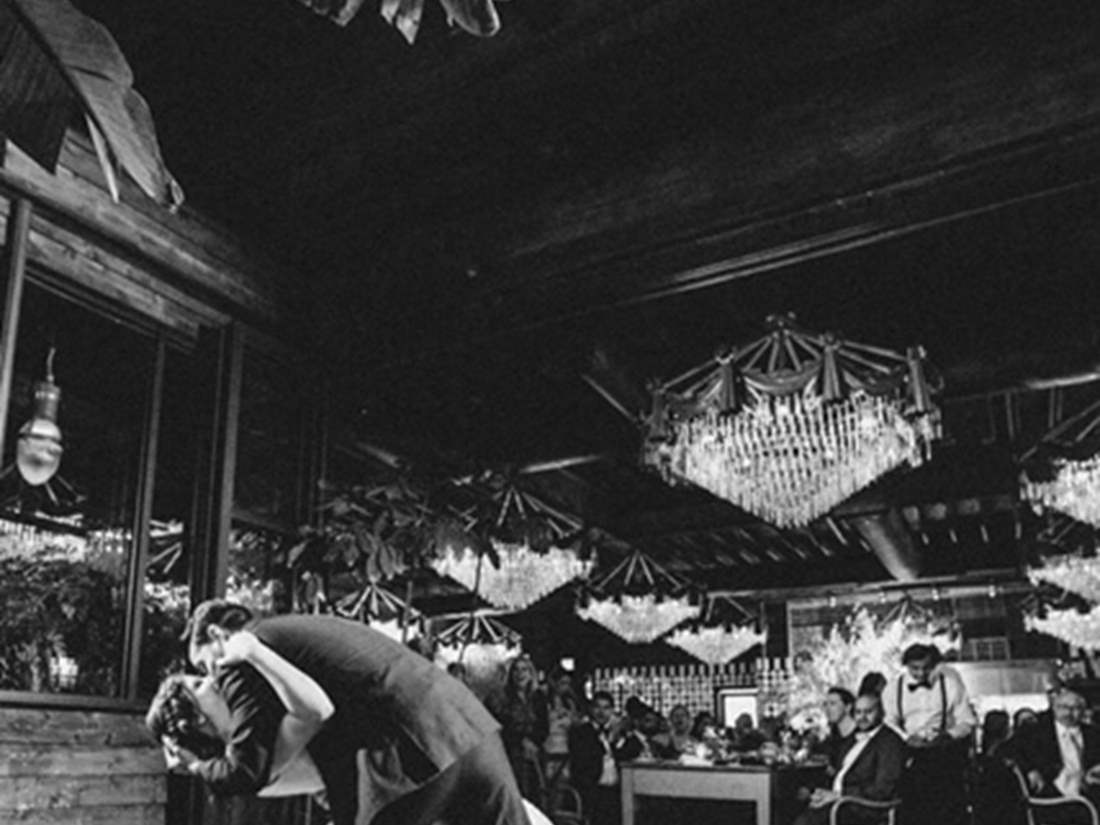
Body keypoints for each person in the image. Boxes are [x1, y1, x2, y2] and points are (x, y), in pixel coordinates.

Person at [181, 599, 532, 825]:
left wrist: (195, 766)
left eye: (204, 664)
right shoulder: (293, 630)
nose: (211, 677)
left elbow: (248, 767)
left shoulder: (241, 655)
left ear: (216, 634)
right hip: (469, 727)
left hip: (414, 755)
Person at [147, 628, 333, 800]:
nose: (211, 679)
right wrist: (254, 652)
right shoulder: (254, 759)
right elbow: (311, 716)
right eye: (198, 685)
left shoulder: (244, 742)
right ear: (196, 719)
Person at [883, 643, 976, 825]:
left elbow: (967, 721)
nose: (921, 674)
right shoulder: (894, 688)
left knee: (948, 810)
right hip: (910, 756)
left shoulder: (950, 683)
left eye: (926, 668)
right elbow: (889, 722)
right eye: (915, 669)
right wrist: (906, 738)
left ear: (934, 664)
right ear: (906, 666)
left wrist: (949, 735)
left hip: (943, 754)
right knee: (914, 811)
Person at [793, 693, 906, 825]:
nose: (862, 717)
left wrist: (840, 794)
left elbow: (883, 788)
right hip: (842, 802)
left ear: (881, 713)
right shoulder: (852, 739)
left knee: (807, 822)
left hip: (865, 807)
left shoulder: (889, 742)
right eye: (858, 712)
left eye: (868, 712)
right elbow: (841, 775)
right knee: (793, 806)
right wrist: (818, 792)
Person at [1013, 688, 1100, 815]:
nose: (1069, 712)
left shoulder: (1094, 734)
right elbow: (1010, 751)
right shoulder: (1036, 732)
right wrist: (1030, 770)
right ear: (1054, 708)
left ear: (1083, 711)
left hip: (1088, 795)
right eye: (1064, 707)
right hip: (1050, 793)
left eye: (1076, 708)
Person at [568, 690, 644, 825]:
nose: (601, 712)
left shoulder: (616, 731)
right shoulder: (580, 732)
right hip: (592, 790)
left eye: (606, 708)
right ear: (591, 709)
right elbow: (587, 758)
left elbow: (635, 749)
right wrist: (610, 740)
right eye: (597, 707)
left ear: (612, 711)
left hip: (615, 791)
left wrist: (623, 734)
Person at [491, 654, 548, 802]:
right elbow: (499, 726)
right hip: (510, 753)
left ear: (531, 674)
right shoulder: (502, 698)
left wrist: (533, 741)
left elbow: (544, 726)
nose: (520, 674)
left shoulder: (538, 697)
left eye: (524, 670)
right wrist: (520, 740)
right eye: (516, 670)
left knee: (535, 794)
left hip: (534, 754)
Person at [817, 687, 858, 773]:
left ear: (848, 707)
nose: (827, 709)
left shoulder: (862, 737)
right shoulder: (833, 739)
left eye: (833, 704)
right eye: (825, 704)